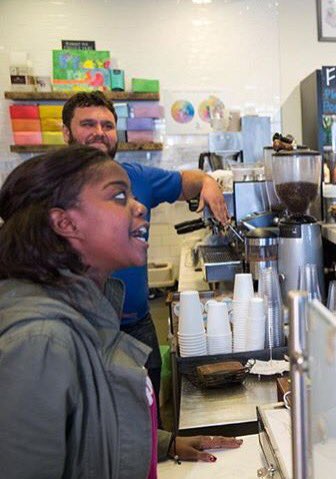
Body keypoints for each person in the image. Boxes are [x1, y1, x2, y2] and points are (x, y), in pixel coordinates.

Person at [0, 146, 242, 478]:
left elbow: (84, 431)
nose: (139, 206)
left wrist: (162, 443)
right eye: (118, 197)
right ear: (65, 222)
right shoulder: (39, 343)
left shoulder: (88, 312)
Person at [62, 91, 230, 420]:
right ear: (66, 132)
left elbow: (187, 181)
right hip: (80, 330)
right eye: (88, 124)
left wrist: (208, 182)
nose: (99, 132)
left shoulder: (137, 177)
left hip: (136, 324)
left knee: (147, 416)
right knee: (93, 421)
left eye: (107, 125)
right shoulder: (49, 187)